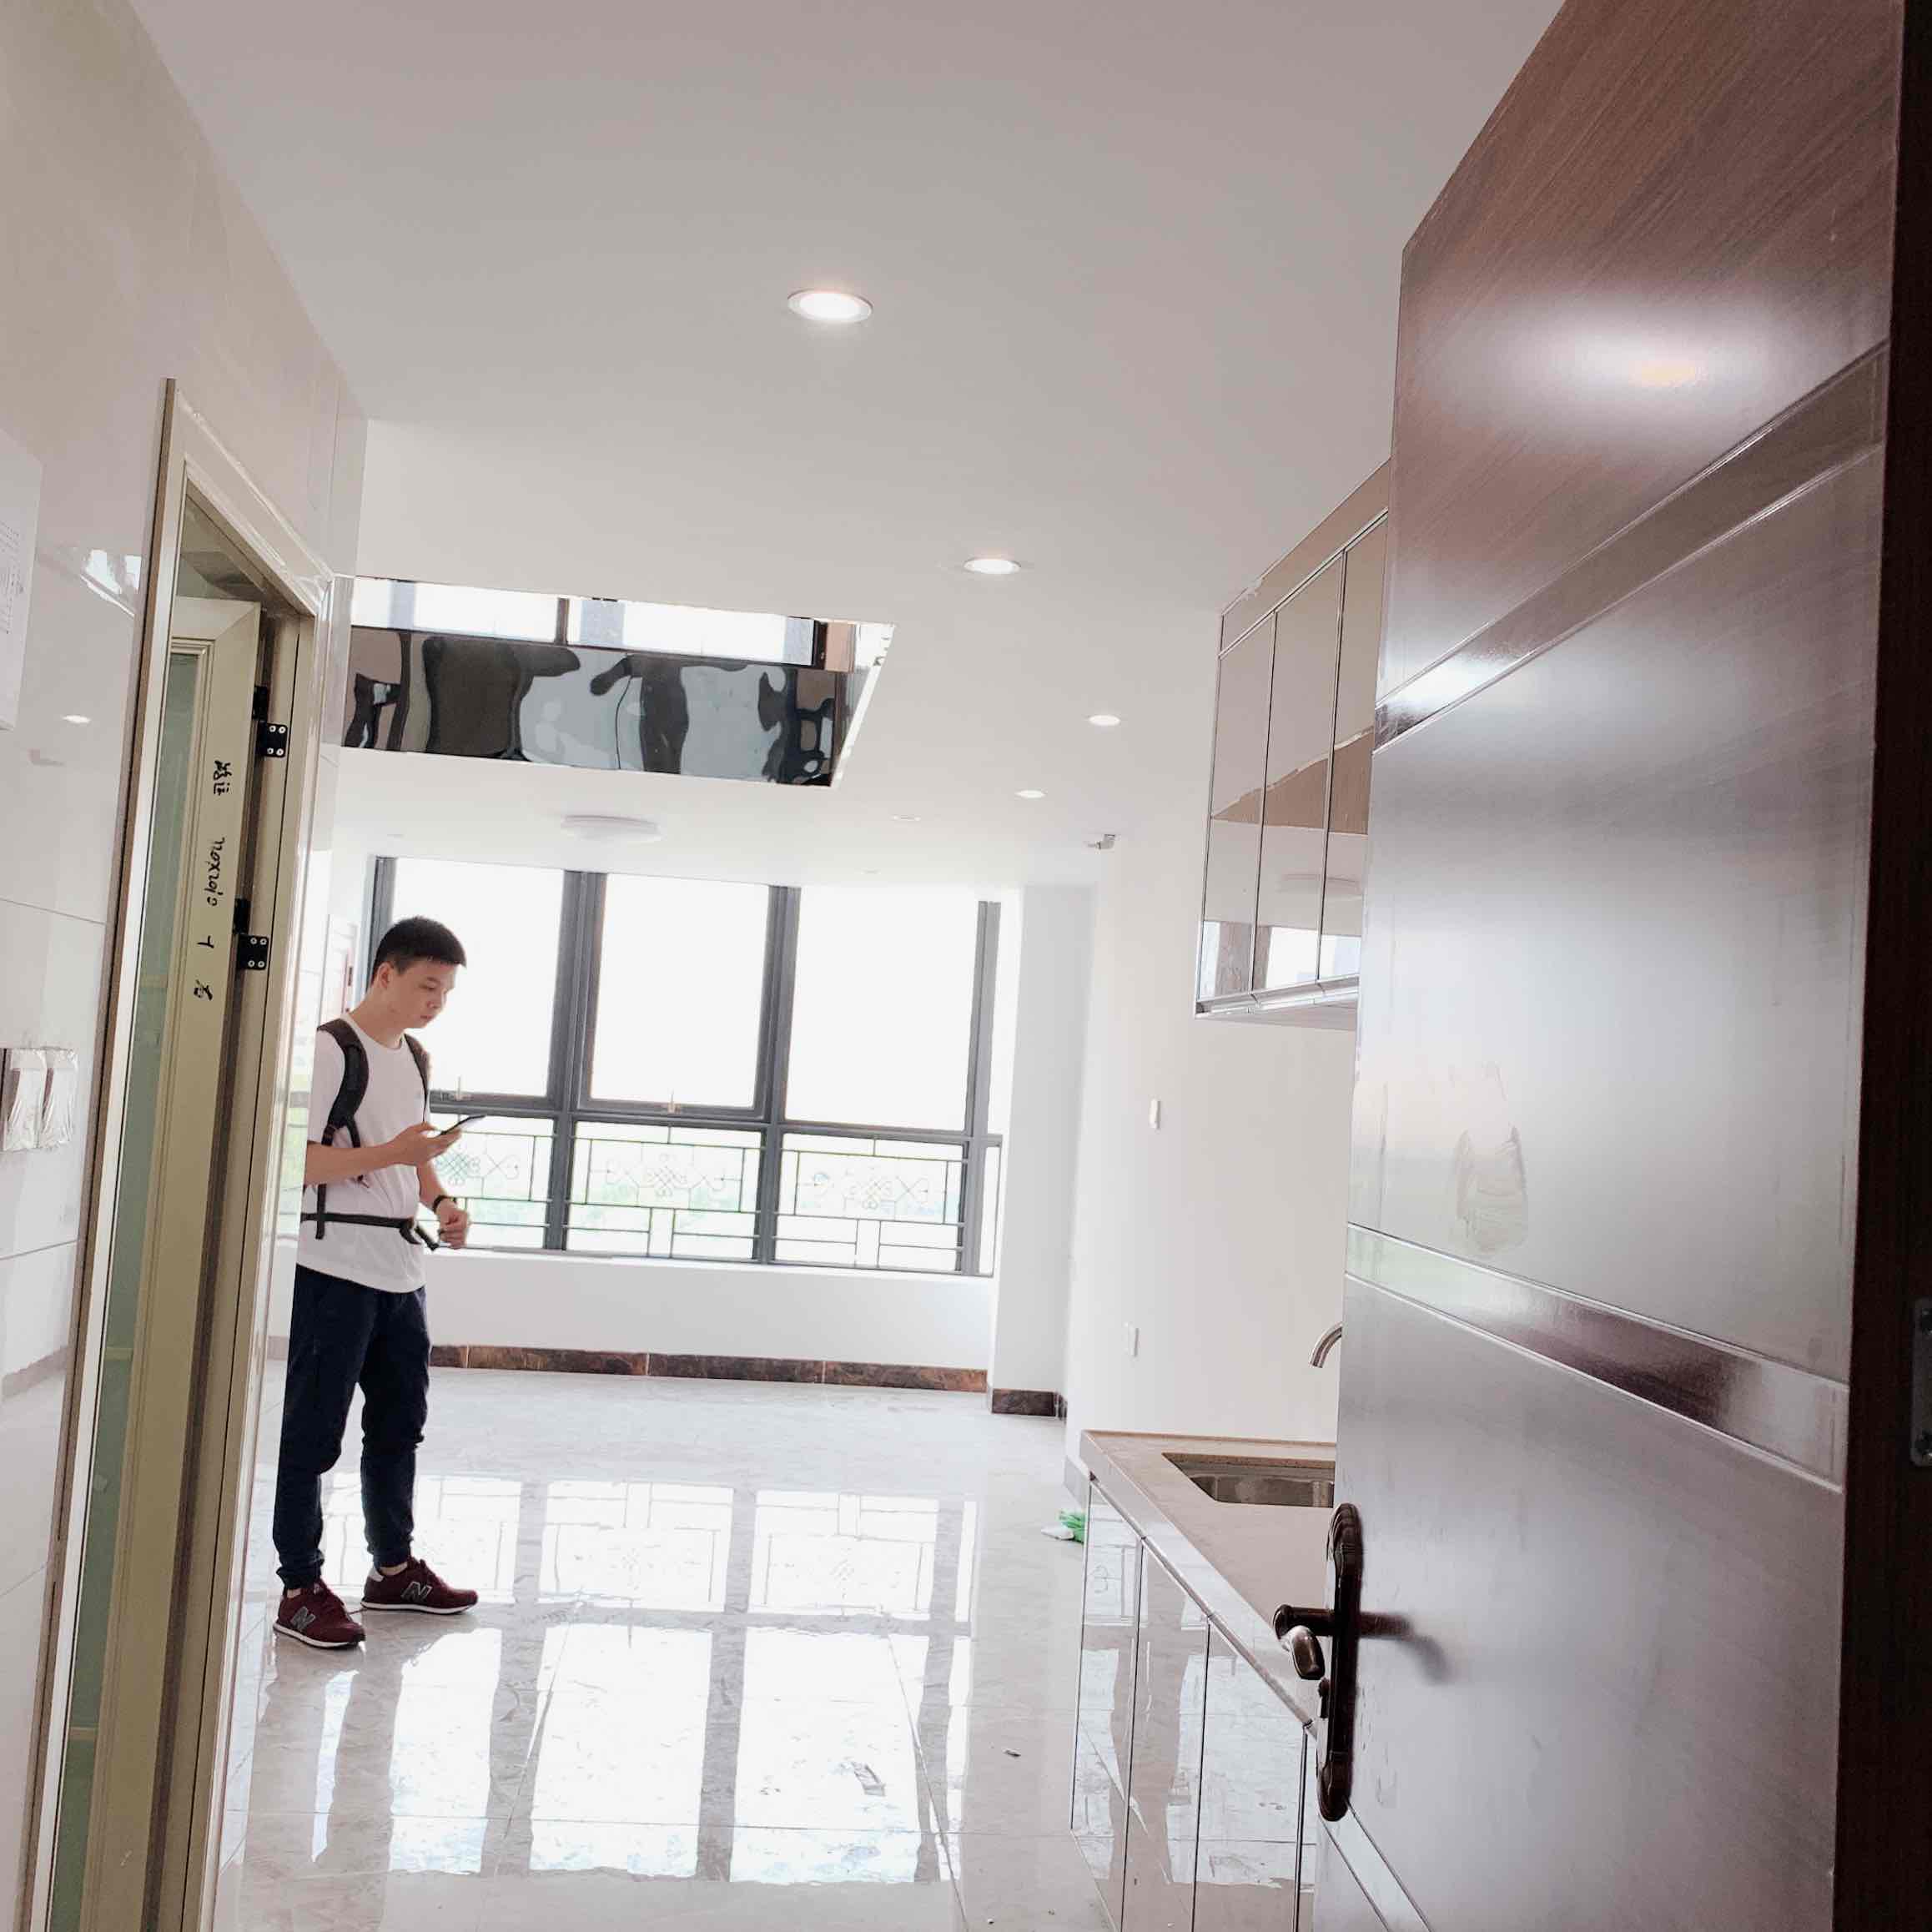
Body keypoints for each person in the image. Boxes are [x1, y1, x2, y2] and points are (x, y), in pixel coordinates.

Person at [271, 916, 479, 1649]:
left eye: (446, 992)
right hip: (333, 1270)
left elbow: (412, 1156)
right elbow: (290, 1160)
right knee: (312, 1433)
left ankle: (392, 1569)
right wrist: (391, 1152)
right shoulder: (330, 1050)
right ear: (386, 974)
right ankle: (299, 1588)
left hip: (401, 1272)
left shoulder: (414, 1057)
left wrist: (442, 1202)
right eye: (427, 986)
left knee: (398, 1427)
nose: (436, 1003)